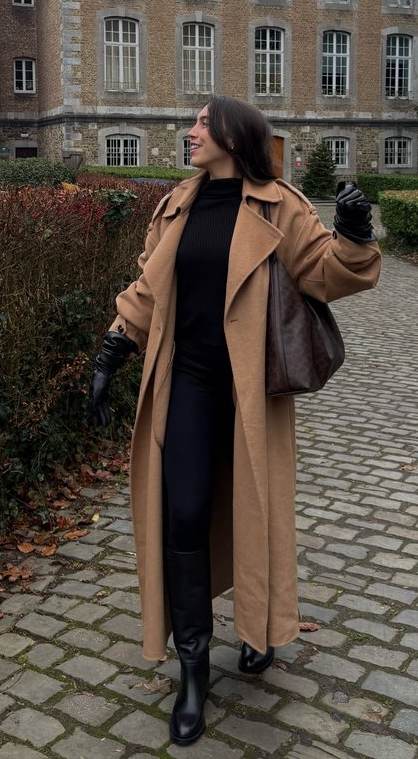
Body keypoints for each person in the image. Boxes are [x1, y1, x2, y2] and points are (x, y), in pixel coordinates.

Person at [89, 96, 381, 746]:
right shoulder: (176, 205)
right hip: (188, 382)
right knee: (184, 515)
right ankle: (194, 668)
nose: (190, 131)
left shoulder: (282, 205)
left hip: (253, 389)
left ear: (232, 135)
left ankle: (258, 626)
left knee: (255, 513)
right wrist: (113, 349)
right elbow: (148, 289)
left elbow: (326, 275)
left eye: (202, 123)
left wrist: (356, 236)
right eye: (193, 123)